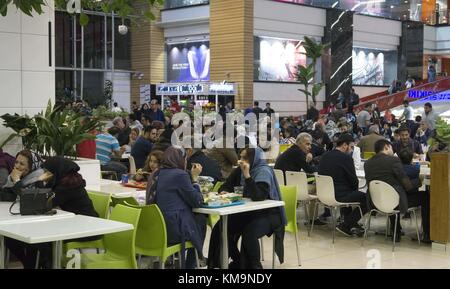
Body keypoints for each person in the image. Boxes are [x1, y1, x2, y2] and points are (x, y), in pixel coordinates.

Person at [6, 157, 101, 269]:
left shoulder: (70, 185)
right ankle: (31, 264)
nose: (46, 174)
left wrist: (34, 181)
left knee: (41, 241)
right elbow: (39, 198)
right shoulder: (60, 180)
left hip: (86, 229)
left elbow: (41, 203)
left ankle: (42, 265)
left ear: (57, 171)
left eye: (47, 171)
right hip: (70, 224)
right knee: (12, 239)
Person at [207, 147, 286, 269]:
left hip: (269, 214)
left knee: (249, 233)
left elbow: (259, 196)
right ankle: (238, 260)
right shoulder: (239, 170)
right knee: (221, 229)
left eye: (244, 158)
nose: (240, 160)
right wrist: (224, 191)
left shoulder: (263, 171)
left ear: (254, 159)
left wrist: (247, 176)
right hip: (248, 212)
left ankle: (255, 266)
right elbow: (225, 186)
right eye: (240, 157)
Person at [146, 146, 206, 269]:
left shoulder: (155, 173)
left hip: (153, 228)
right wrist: (194, 179)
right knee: (200, 220)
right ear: (180, 159)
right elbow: (198, 201)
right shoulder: (180, 175)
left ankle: (187, 260)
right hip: (171, 230)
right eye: (185, 159)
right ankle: (191, 264)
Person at [364, 140, 428, 242]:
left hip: (376, 202)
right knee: (425, 196)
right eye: (391, 147)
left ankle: (395, 230)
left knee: (391, 192)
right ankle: (427, 234)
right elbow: (408, 186)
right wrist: (419, 180)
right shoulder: (393, 161)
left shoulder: (367, 163)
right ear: (386, 147)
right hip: (395, 203)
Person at [318, 134, 368, 236]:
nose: (352, 150)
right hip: (339, 195)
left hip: (323, 194)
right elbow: (354, 181)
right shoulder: (346, 158)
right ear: (345, 145)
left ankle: (350, 223)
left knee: (348, 191)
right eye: (351, 147)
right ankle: (347, 224)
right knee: (368, 198)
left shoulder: (324, 156)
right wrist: (355, 190)